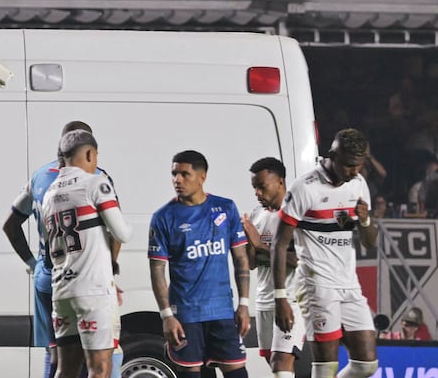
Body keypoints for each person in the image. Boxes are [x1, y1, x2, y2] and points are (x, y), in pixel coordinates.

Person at [274, 129, 380, 378]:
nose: (354, 171)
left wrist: (365, 222)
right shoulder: (304, 188)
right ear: (333, 156)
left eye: (359, 165)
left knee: (366, 365)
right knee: (326, 368)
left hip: (349, 284)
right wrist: (281, 297)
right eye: (348, 165)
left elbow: (370, 243)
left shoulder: (359, 184)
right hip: (317, 284)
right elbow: (279, 244)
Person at [4, 120, 98, 378]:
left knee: (55, 353)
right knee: (93, 354)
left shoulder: (40, 177)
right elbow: (114, 231)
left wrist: (33, 264)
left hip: (48, 276)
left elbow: (10, 225)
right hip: (83, 279)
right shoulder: (97, 178)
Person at [149, 150, 252, 378]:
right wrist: (167, 316)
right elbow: (157, 269)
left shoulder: (225, 208)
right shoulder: (164, 217)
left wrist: (244, 304)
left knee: (237, 372)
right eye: (174, 174)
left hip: (222, 311)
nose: (177, 180)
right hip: (186, 315)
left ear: (202, 176)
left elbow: (241, 258)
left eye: (184, 174)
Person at [41, 129, 132, 378]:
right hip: (93, 291)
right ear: (90, 153)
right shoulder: (95, 183)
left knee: (65, 369)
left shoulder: (50, 193)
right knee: (100, 369)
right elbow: (122, 233)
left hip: (62, 291)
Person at [242, 157, 303, 378]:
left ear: (280, 182)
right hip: (264, 301)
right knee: (276, 365)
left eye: (261, 186)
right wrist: (248, 242)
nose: (257, 193)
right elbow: (251, 265)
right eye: (254, 188)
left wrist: (260, 244)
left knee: (281, 364)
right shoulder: (257, 215)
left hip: (291, 300)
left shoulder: (296, 214)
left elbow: (301, 261)